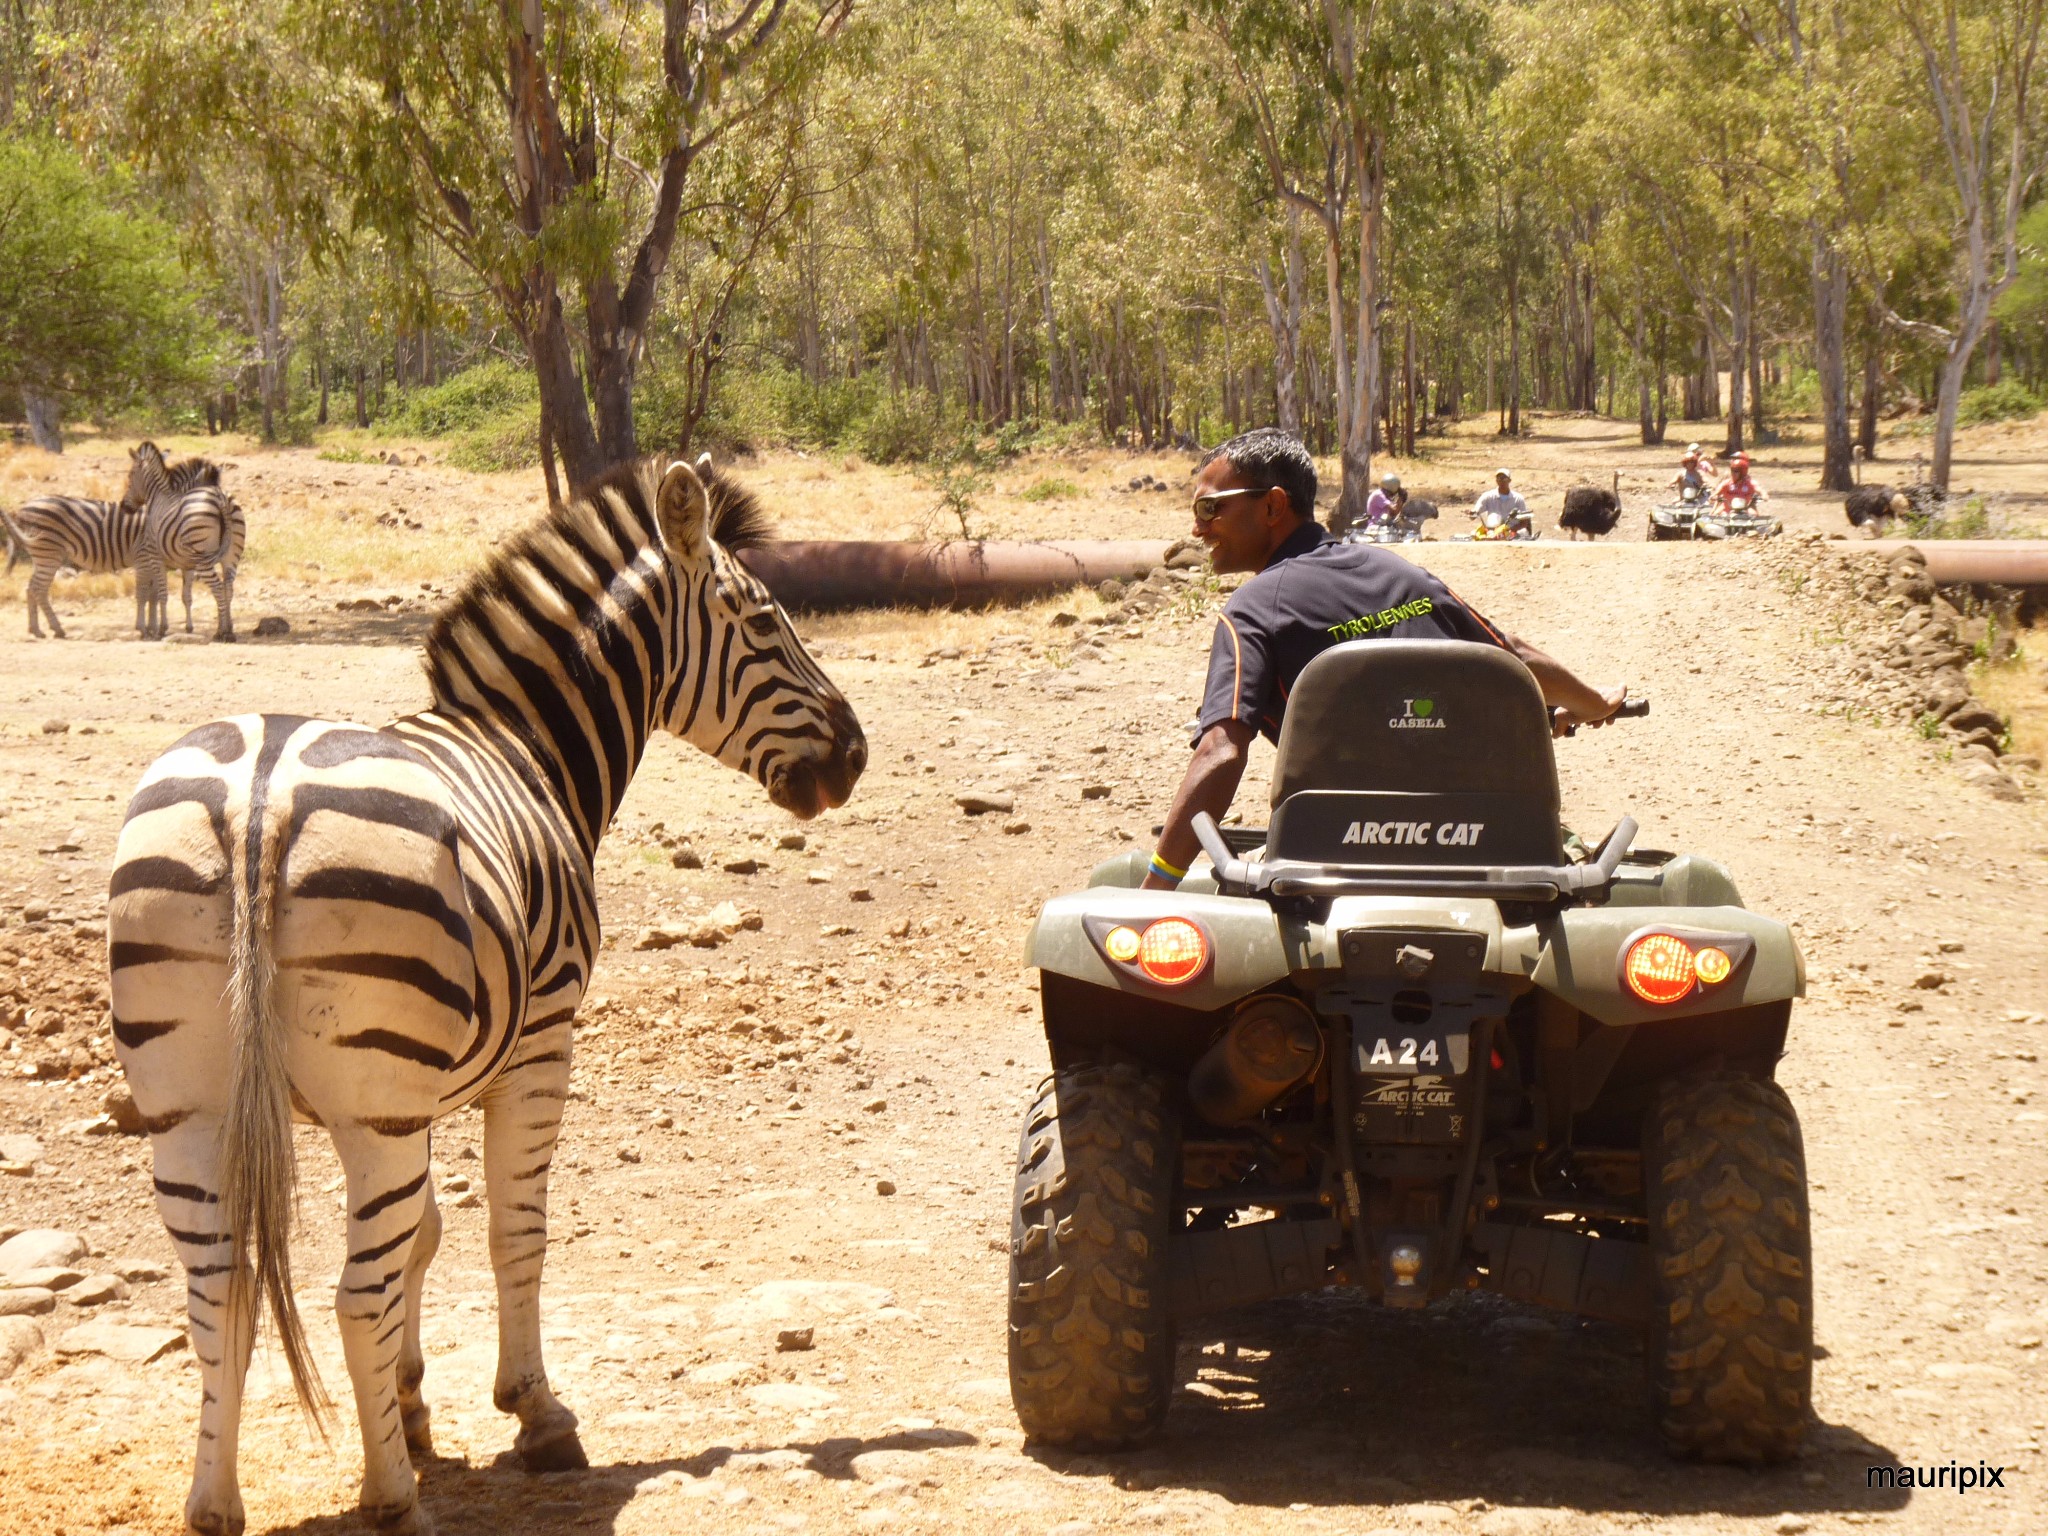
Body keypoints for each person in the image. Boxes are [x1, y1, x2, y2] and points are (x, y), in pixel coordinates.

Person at [1141, 429, 1625, 890]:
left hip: (1333, 851)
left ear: (1272, 505)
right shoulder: (1406, 577)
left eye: (1210, 508)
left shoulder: (1249, 612)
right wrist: (1593, 701)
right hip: (1482, 843)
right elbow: (1510, 657)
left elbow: (1222, 752)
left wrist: (1157, 883)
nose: (1197, 527)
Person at [1472, 468, 1531, 536]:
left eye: (1503, 478)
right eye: (1499, 478)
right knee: (1474, 534)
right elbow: (1474, 514)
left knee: (1523, 532)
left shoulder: (1518, 498)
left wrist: (1509, 530)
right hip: (1493, 532)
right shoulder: (1487, 496)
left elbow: (1524, 522)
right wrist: (1472, 513)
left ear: (1509, 480)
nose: (1501, 480)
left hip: (1513, 531)